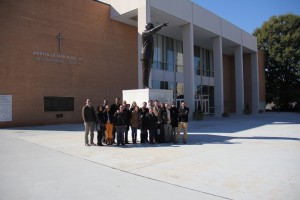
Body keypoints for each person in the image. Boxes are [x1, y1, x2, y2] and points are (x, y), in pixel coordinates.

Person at [141, 22, 168, 88]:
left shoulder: (150, 36)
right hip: (145, 56)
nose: (152, 28)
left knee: (148, 72)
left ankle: (146, 85)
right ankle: (145, 86)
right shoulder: (144, 33)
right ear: (148, 27)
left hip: (150, 56)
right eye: (151, 27)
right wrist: (161, 25)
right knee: (145, 72)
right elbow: (152, 31)